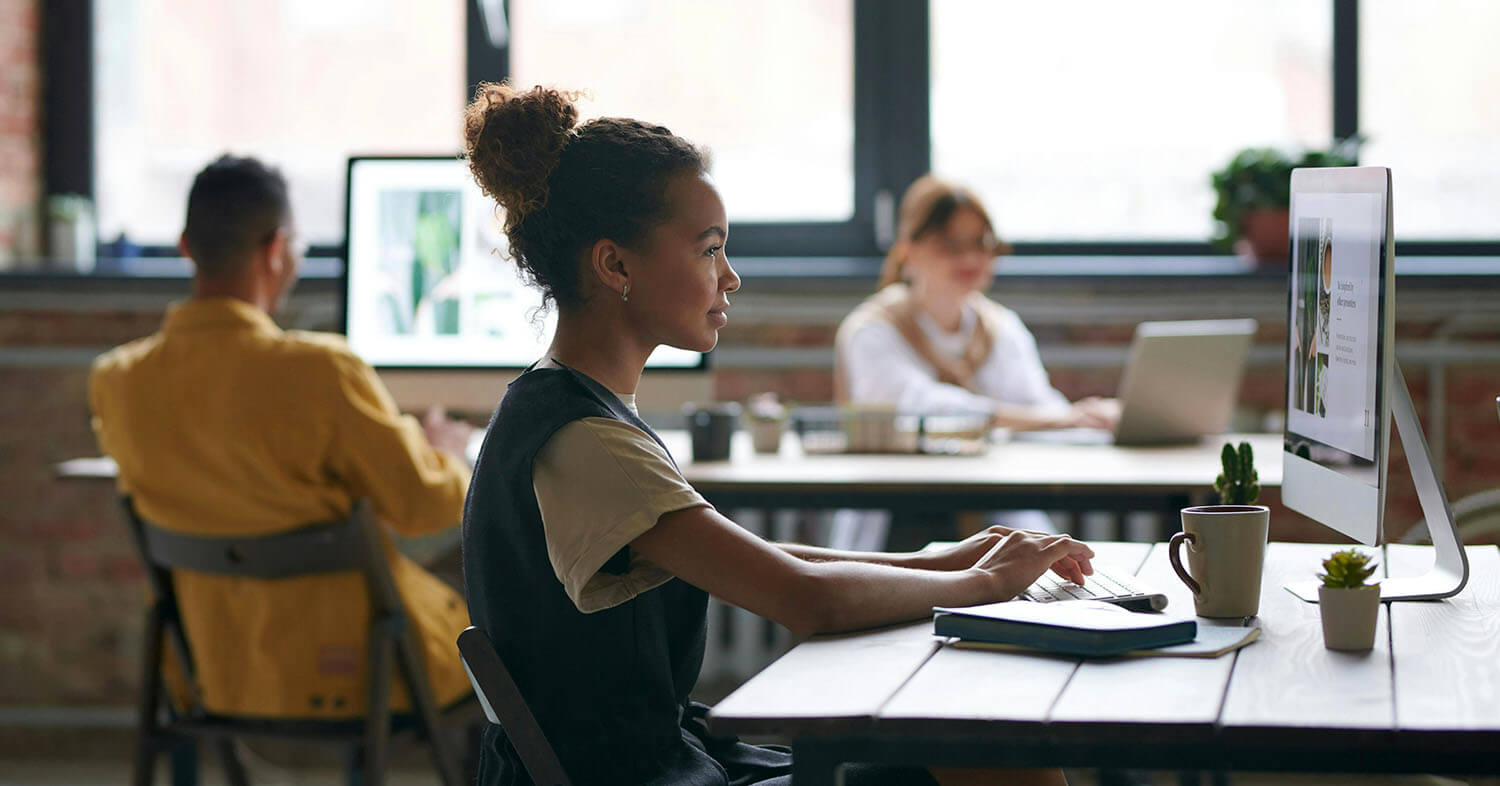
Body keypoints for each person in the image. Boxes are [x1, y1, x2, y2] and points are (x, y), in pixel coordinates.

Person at [460, 83, 1091, 786]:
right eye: (708, 251)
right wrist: (986, 581)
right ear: (615, 265)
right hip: (641, 777)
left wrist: (948, 562)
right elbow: (803, 597)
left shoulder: (580, 412)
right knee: (1001, 764)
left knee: (980, 752)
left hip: (662, 763)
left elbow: (753, 558)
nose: (729, 277)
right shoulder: (583, 439)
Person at [89, 155, 477, 721]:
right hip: (365, 672)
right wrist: (446, 455)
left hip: (211, 676)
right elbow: (422, 506)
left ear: (185, 247)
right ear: (276, 249)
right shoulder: (321, 371)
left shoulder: (117, 381)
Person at [835, 175, 1120, 432]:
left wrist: (1090, 417)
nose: (970, 259)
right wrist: (1056, 419)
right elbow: (915, 409)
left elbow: (1038, 404)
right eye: (950, 245)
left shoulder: (1000, 326)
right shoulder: (872, 330)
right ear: (908, 251)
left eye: (981, 244)